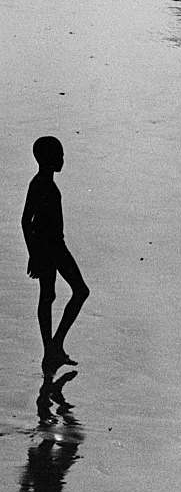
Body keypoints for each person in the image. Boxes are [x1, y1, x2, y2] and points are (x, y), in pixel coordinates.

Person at [22, 136, 90, 374]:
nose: (63, 159)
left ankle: (52, 348)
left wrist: (34, 252)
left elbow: (26, 222)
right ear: (49, 159)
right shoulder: (41, 185)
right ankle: (52, 348)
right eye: (59, 155)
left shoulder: (45, 183)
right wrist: (33, 255)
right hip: (51, 248)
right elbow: (25, 221)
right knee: (76, 291)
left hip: (52, 247)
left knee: (52, 296)